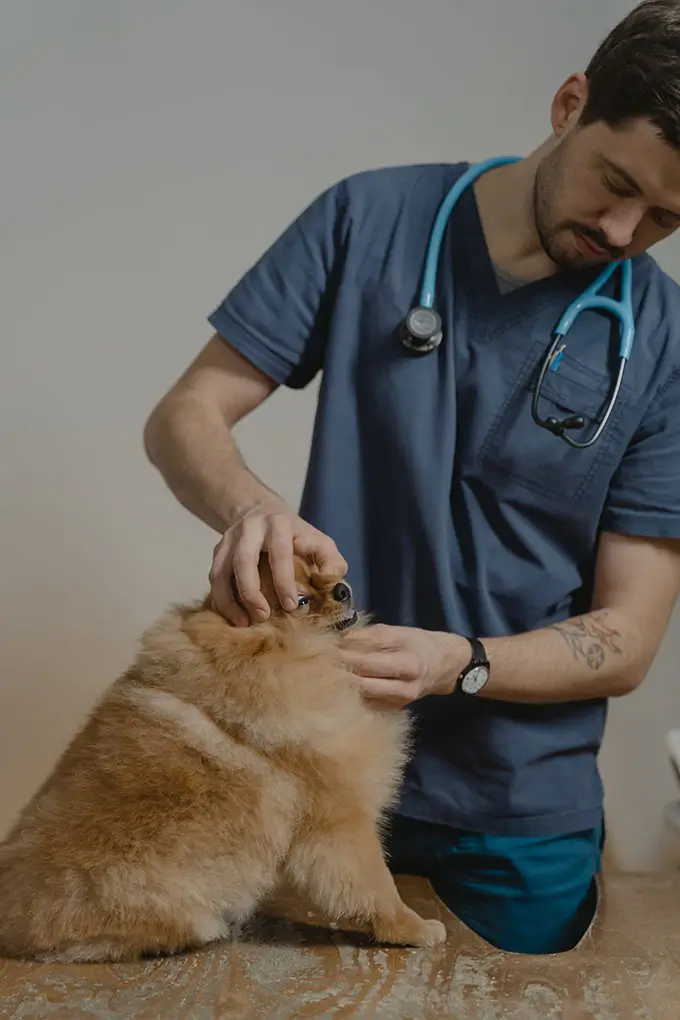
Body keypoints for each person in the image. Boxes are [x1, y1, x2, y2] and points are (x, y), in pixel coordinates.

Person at [143, 0, 680, 955]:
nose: (623, 228)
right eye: (615, 183)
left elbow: (629, 637)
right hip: (304, 758)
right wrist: (253, 508)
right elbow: (186, 414)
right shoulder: (369, 219)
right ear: (569, 104)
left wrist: (461, 662)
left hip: (517, 803)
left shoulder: (665, 343)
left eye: (667, 218)